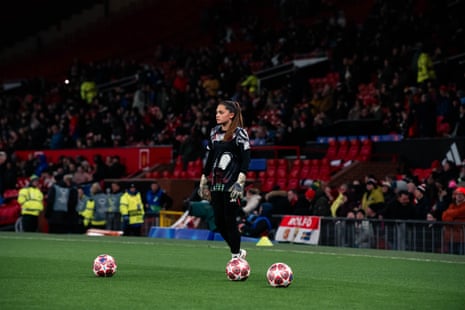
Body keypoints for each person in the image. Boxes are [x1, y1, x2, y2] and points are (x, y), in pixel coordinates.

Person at [198, 100, 251, 259]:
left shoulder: (240, 133)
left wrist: (240, 181)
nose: (217, 115)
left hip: (232, 184)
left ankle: (235, 257)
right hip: (216, 183)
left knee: (229, 220)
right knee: (219, 223)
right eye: (216, 112)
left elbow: (246, 158)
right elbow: (210, 157)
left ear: (231, 114)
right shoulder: (214, 132)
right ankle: (238, 251)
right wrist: (203, 178)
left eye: (221, 112)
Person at [442, 186, 465, 255]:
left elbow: (459, 212)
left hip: (462, 237)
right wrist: (452, 217)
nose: (459, 196)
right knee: (451, 256)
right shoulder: (452, 205)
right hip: (451, 236)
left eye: (461, 194)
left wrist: (449, 214)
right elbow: (444, 216)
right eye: (457, 194)